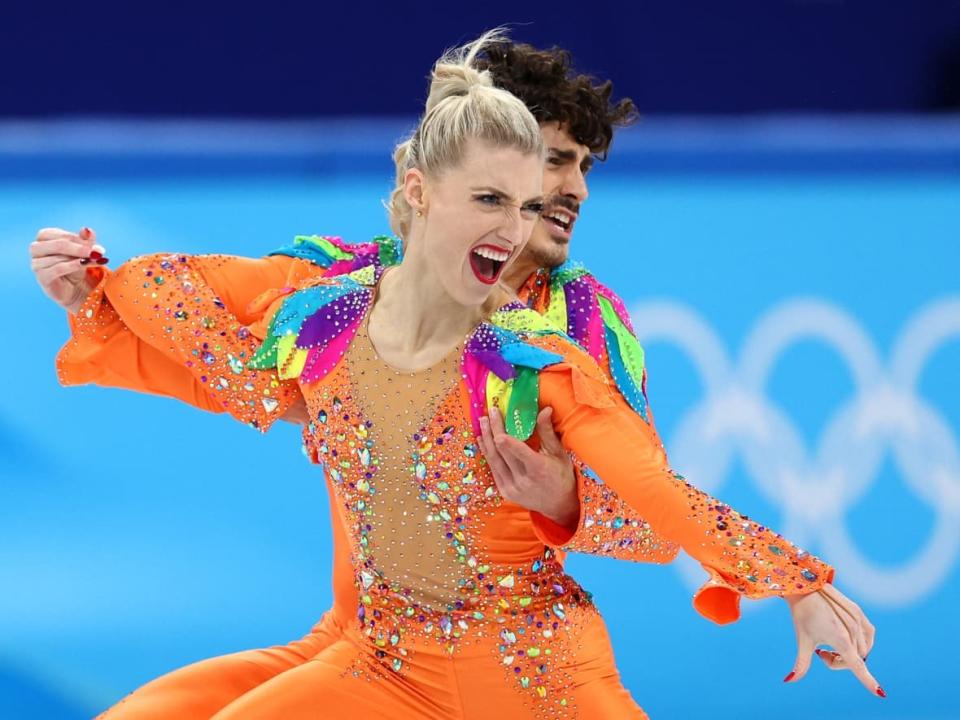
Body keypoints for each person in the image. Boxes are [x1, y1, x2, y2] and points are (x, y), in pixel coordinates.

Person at [32, 32, 880, 719]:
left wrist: (563, 503)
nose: (569, 189)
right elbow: (218, 347)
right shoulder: (343, 297)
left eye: (581, 166)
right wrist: (94, 296)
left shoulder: (571, 334)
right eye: (551, 160)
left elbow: (650, 509)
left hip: (523, 657)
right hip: (367, 646)